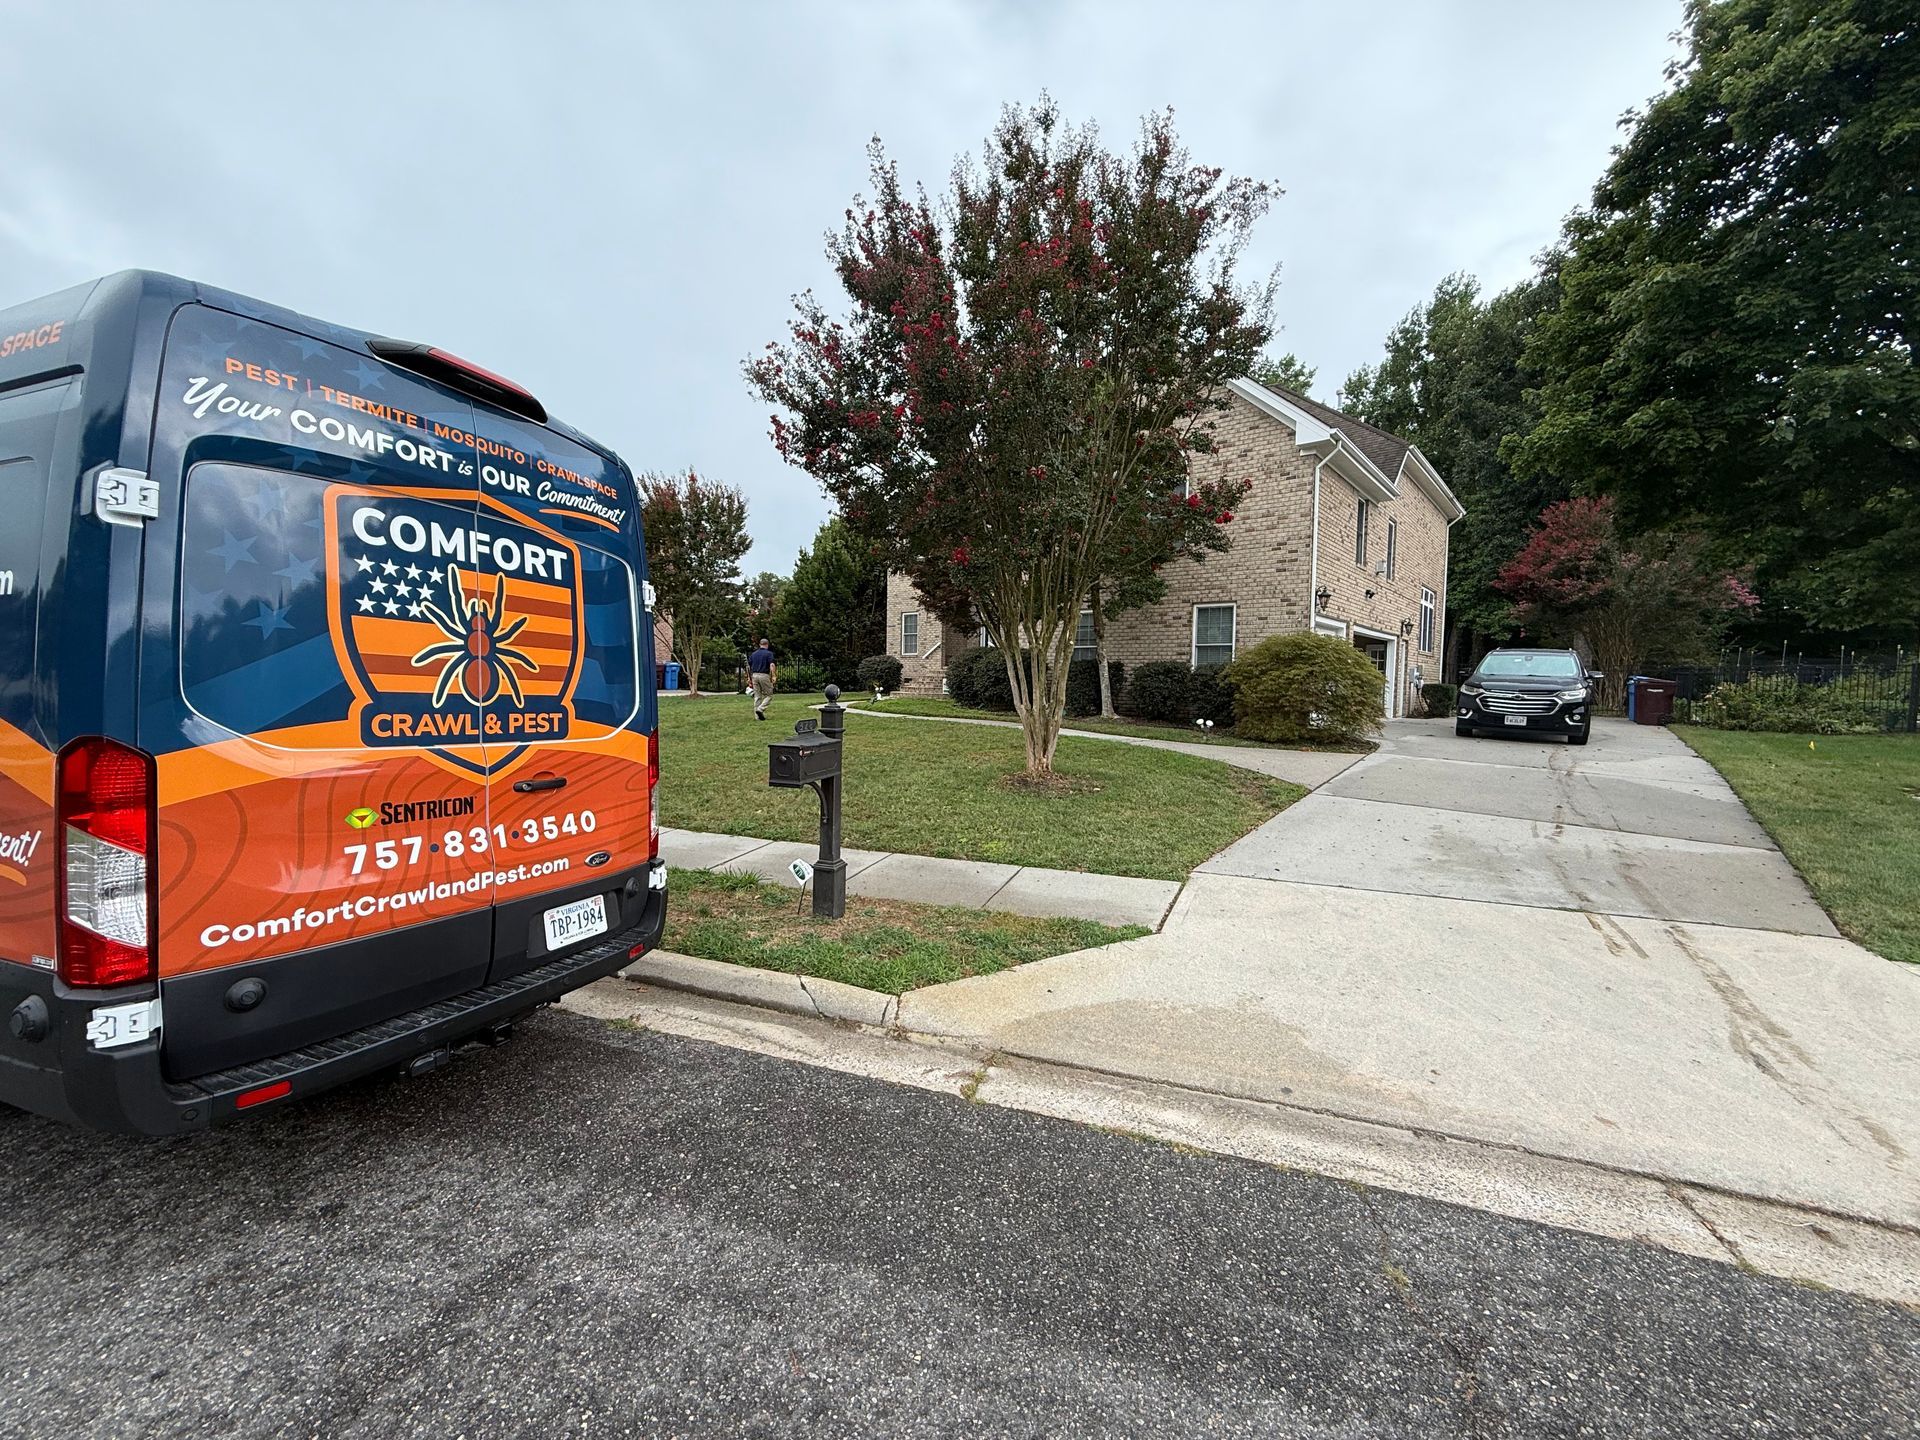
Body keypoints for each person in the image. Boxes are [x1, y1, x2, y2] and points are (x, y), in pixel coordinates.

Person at [747, 637, 776, 720]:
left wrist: (749, 678)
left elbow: (748, 667)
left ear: (760, 645)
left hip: (754, 675)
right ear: (767, 645)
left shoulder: (754, 654)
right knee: (769, 695)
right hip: (764, 675)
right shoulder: (769, 654)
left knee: (757, 696)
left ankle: (757, 717)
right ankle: (760, 709)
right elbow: (772, 665)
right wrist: (773, 675)